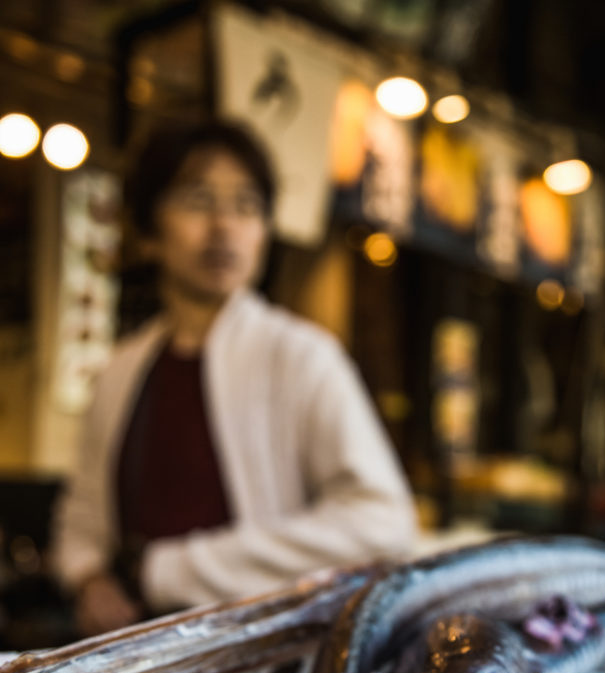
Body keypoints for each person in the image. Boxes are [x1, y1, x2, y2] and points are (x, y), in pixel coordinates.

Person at [50, 118, 416, 636]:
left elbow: (383, 524)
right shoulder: (120, 368)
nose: (224, 225)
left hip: (263, 663)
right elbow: (84, 513)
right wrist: (88, 577)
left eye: (246, 206)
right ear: (148, 234)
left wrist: (169, 569)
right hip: (134, 659)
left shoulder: (302, 355)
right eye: (199, 201)